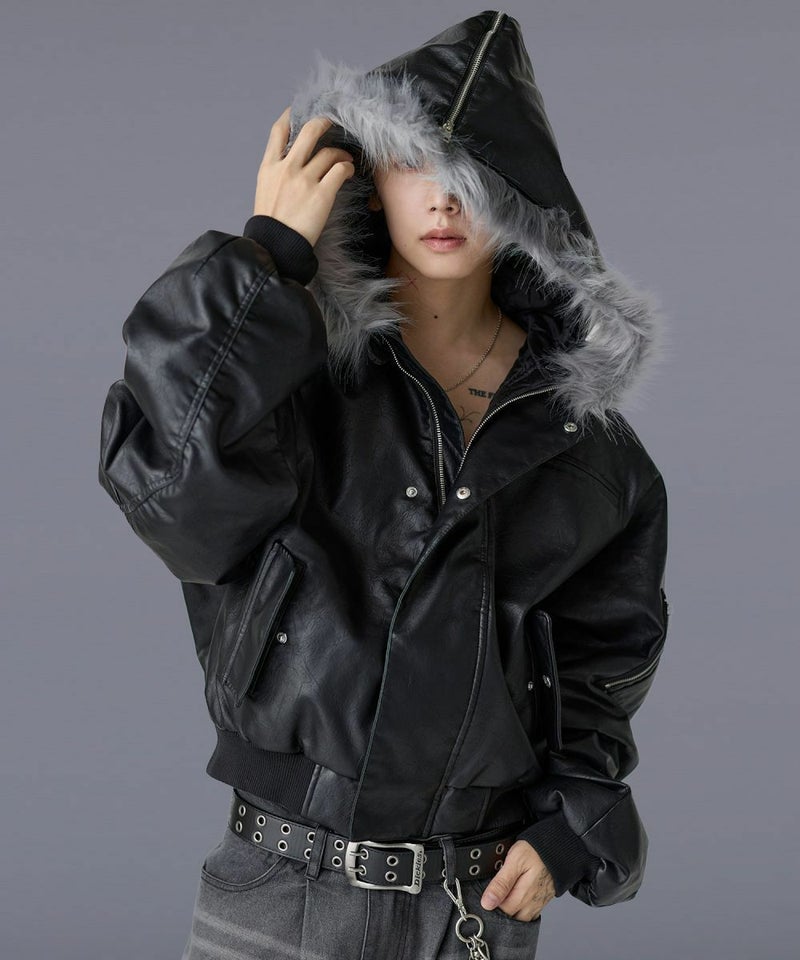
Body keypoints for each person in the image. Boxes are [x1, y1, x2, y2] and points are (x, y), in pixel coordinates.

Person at [97, 11, 670, 959]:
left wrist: (570, 823)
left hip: (470, 908)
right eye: (413, 162)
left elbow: (601, 665)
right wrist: (265, 261)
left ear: (523, 196)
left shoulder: (588, 446)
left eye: (474, 170)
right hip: (279, 891)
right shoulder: (291, 377)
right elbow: (172, 496)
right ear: (366, 176)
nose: (444, 198)